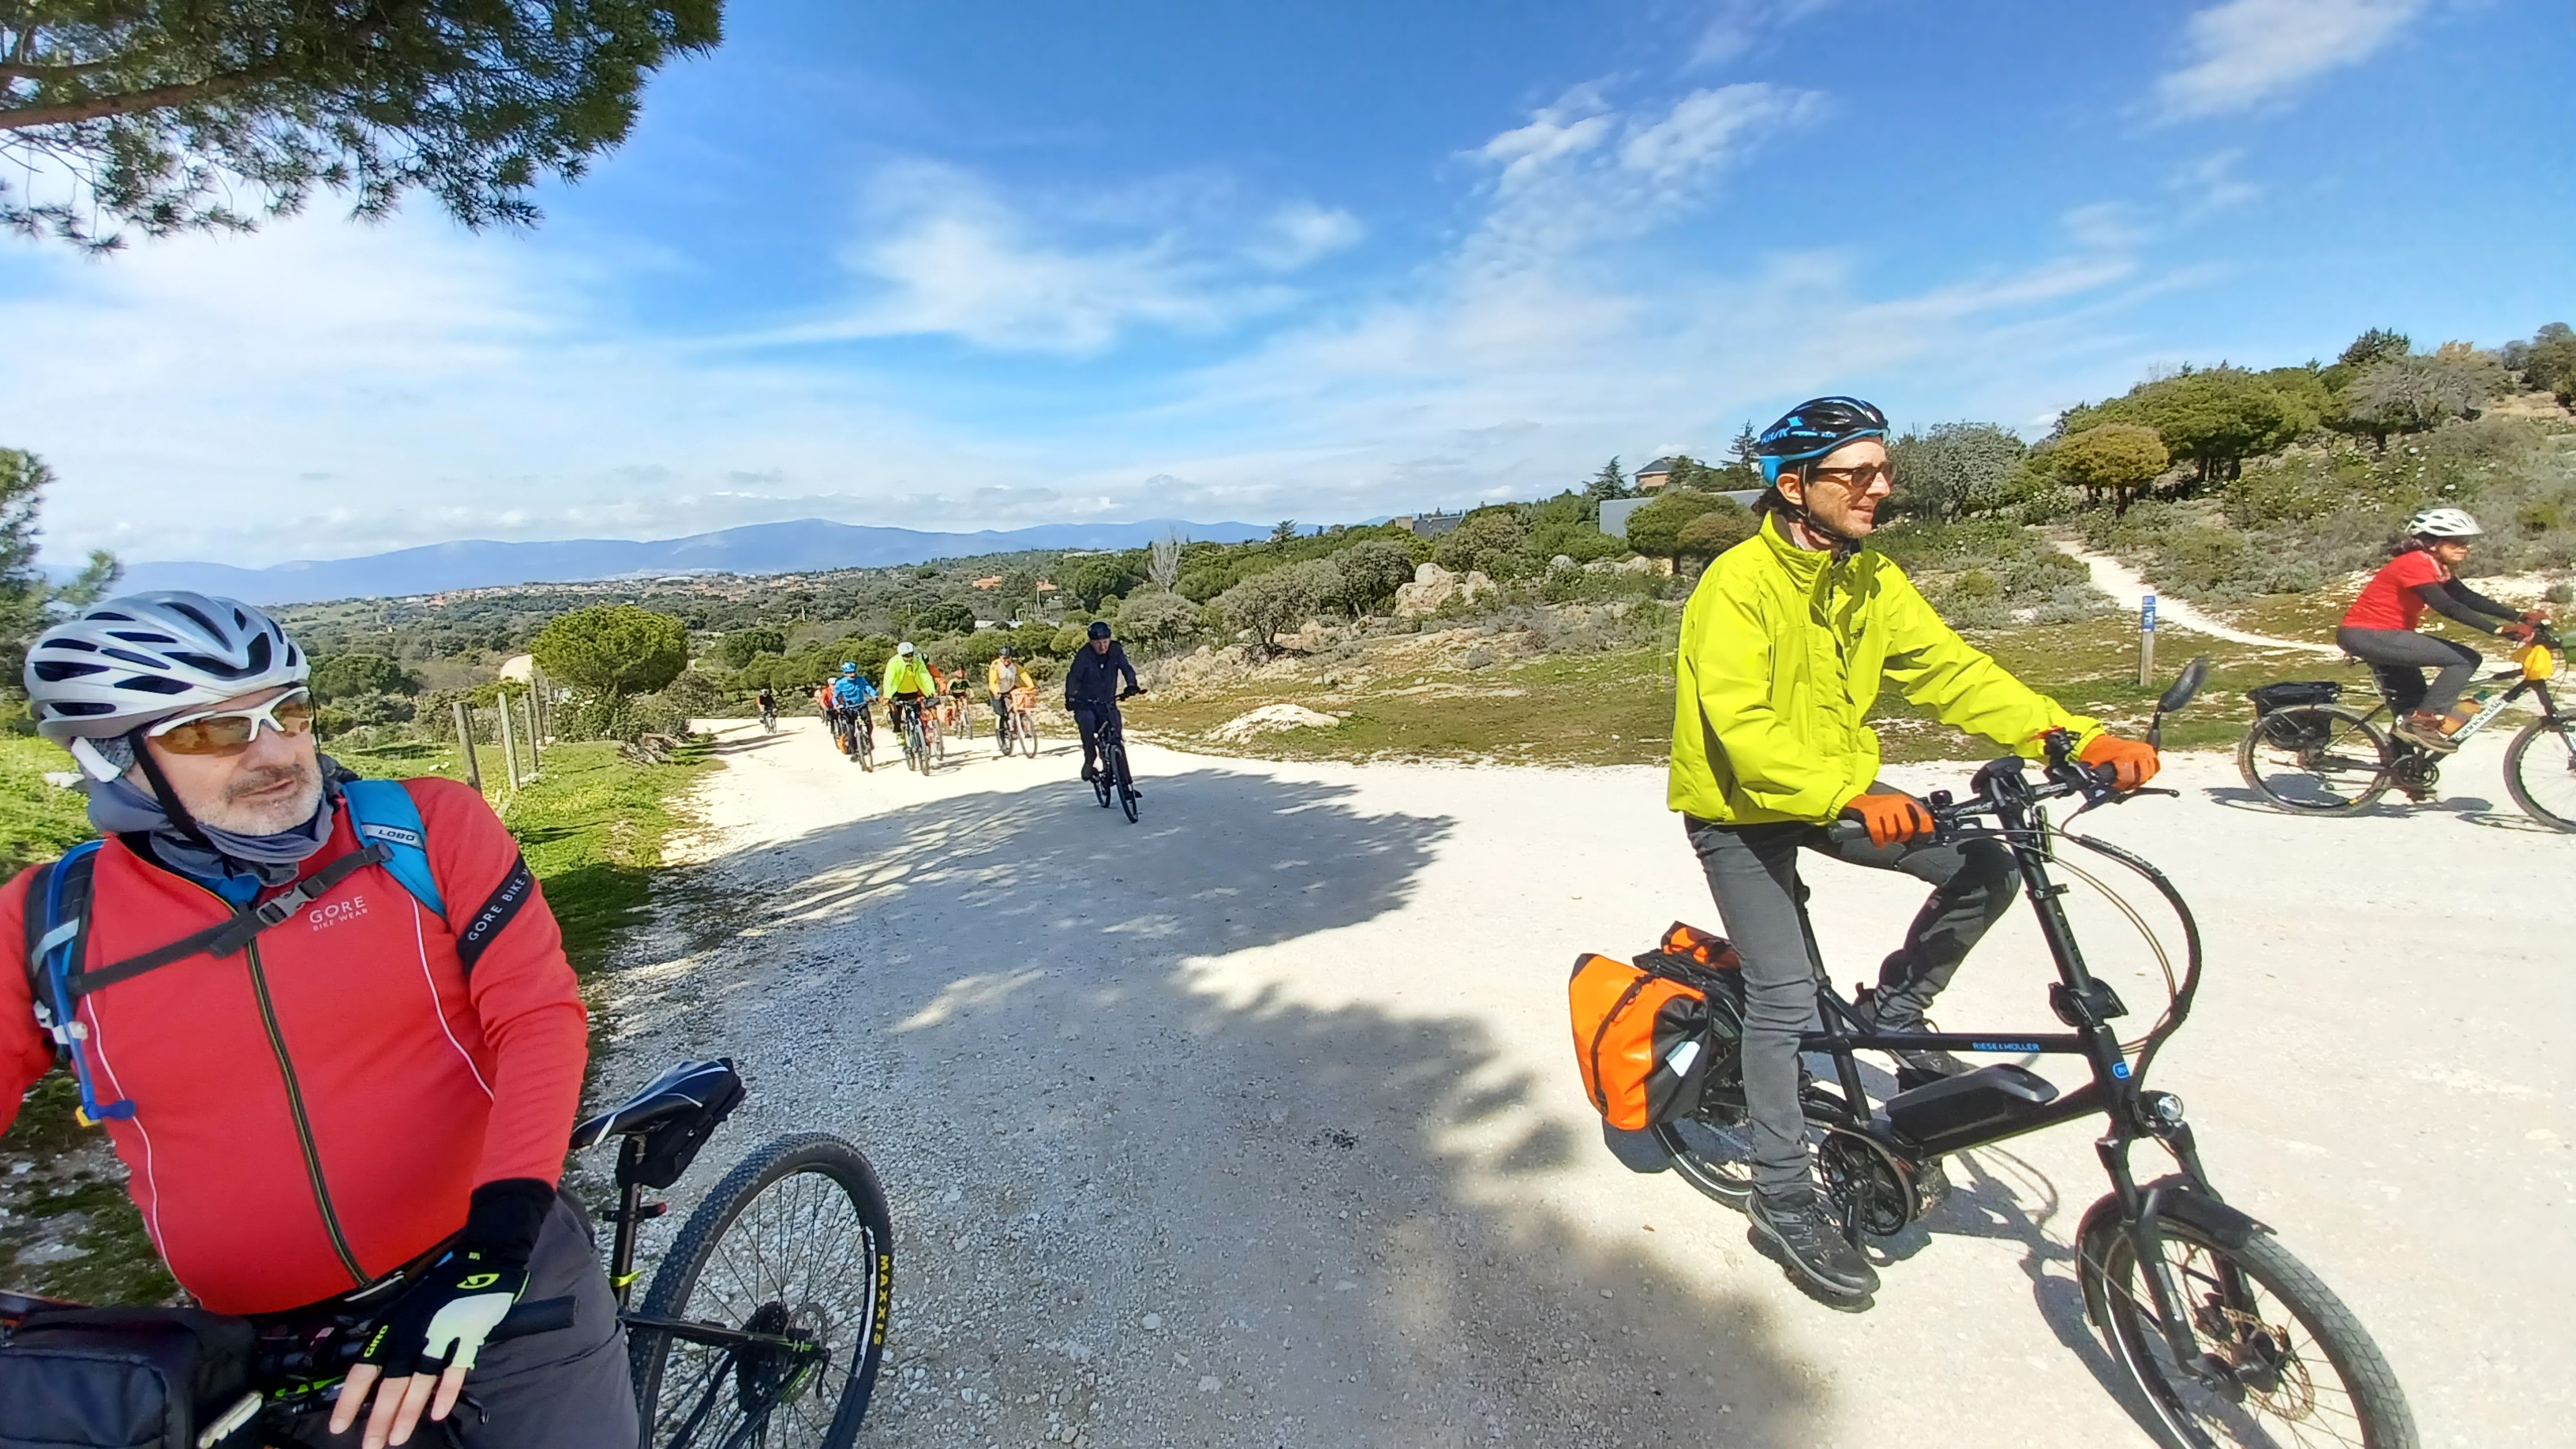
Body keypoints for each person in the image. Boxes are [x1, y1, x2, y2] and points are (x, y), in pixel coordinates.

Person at [0, 592, 632, 1449]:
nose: (277, 752)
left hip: (500, 1263)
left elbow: (536, 1017)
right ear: (112, 758)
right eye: (213, 731)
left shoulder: (424, 829)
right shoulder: (46, 923)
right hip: (263, 1338)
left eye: (288, 712)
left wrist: (494, 1250)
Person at [1669, 398, 2162, 1301]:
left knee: (1986, 863)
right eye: (1857, 473)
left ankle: (1897, 1007)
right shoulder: (1736, 585)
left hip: (1833, 793)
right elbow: (1739, 726)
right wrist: (1849, 794)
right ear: (1794, 486)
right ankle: (1782, 1196)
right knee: (1784, 996)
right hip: (1740, 809)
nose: (1881, 487)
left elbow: (1951, 670)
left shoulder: (1870, 579)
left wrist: (2071, 735)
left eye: (1884, 470)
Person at [2338, 508, 2544, 751]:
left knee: (2411, 705)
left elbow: (2466, 597)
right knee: (2464, 660)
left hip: (2383, 635)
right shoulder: (2413, 563)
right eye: (2457, 541)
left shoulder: (2436, 566)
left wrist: (2518, 616)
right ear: (2432, 543)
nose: (2465, 547)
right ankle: (2425, 721)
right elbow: (2447, 606)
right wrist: (2497, 630)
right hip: (2369, 634)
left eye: (2465, 541)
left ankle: (2401, 765)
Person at [1064, 621, 1143, 788]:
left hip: (1108, 702)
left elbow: (1127, 669)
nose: (1102, 646)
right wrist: (1071, 698)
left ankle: (1126, 785)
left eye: (1105, 642)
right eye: (1098, 643)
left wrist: (1131, 685)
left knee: (1116, 738)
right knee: (1087, 726)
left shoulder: (1116, 650)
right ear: (1091, 642)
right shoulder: (1084, 655)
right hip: (1086, 704)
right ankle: (1090, 760)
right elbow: (1074, 677)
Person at [881, 642, 937, 744]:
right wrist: (887, 695)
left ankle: (921, 736)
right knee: (896, 712)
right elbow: (889, 679)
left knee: (918, 714)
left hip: (912, 691)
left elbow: (925, 676)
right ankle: (899, 732)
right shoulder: (894, 662)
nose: (909, 658)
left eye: (911, 654)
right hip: (897, 692)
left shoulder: (918, 660)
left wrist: (931, 691)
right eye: (906, 656)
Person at [830, 661, 878, 756]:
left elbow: (868, 688)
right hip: (848, 708)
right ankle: (854, 752)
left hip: (861, 705)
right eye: (849, 673)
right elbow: (835, 697)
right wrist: (836, 705)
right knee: (850, 730)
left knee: (868, 723)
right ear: (845, 673)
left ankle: (868, 738)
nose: (852, 674)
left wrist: (874, 695)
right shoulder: (840, 683)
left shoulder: (861, 680)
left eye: (853, 672)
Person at [987, 647, 1026, 748]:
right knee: (1000, 715)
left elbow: (1024, 675)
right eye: (1004, 658)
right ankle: (1003, 740)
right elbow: (992, 681)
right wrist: (996, 691)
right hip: (997, 691)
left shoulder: (1015, 666)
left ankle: (1019, 729)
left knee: (1019, 707)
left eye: (1008, 657)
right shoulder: (995, 665)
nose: (1006, 660)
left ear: (1011, 657)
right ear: (1000, 657)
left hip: (1009, 689)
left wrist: (1031, 687)